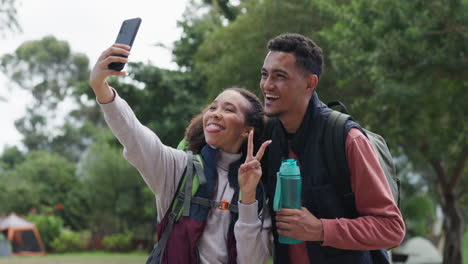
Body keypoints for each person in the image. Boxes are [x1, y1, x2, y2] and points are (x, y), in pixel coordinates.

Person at [89, 43, 272, 264]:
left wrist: (249, 196)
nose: (215, 114)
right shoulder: (179, 168)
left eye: (229, 109)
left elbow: (253, 260)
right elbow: (134, 136)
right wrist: (101, 88)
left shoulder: (258, 188)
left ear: (247, 130)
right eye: (213, 107)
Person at [259, 33, 405, 263]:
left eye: (280, 76)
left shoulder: (347, 138)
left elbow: (391, 229)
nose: (267, 85)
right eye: (264, 74)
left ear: (310, 83)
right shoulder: (267, 136)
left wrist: (321, 230)